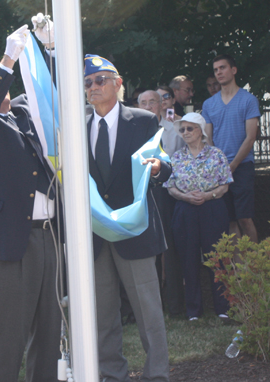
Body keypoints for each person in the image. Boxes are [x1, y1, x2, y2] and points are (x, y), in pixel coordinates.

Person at [0, 25, 62, 382]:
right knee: (7, 337)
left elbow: (52, 99)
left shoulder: (23, 117)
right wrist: (5, 62)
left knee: (50, 330)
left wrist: (50, 50)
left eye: (0, 81)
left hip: (48, 235)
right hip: (11, 242)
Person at [84, 54, 171, 381]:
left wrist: (159, 168)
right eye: (88, 82)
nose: (93, 86)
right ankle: (111, 375)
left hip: (135, 234)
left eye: (100, 80)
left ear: (118, 84)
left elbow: (163, 162)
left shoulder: (142, 120)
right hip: (94, 235)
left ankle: (157, 375)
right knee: (103, 317)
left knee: (149, 315)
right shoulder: (77, 126)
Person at [164, 113, 233, 320]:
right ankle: (193, 310)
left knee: (217, 257)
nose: (185, 133)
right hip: (185, 210)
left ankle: (223, 307)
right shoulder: (176, 157)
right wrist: (185, 197)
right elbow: (171, 188)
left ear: (200, 131)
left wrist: (208, 194)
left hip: (212, 208)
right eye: (182, 129)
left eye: (189, 129)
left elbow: (225, 184)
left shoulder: (216, 154)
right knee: (188, 258)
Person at [202, 54, 260, 243]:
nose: (219, 72)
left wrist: (232, 166)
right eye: (216, 69)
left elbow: (250, 137)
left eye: (222, 68)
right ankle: (235, 269)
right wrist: (219, 165)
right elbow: (208, 138)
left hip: (242, 166)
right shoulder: (209, 104)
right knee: (229, 220)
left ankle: (254, 267)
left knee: (244, 217)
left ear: (233, 70)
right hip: (219, 168)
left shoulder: (248, 100)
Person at [138, 90, 185, 316]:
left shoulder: (175, 130)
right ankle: (150, 309)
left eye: (152, 103)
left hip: (166, 194)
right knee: (146, 252)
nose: (148, 107)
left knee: (170, 250)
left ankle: (176, 307)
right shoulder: (133, 129)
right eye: (143, 103)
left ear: (161, 105)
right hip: (140, 196)